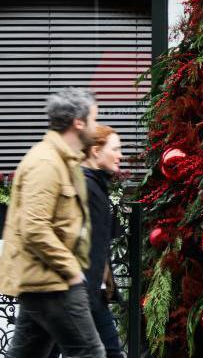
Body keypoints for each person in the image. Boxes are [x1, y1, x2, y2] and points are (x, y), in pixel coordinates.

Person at [0, 88, 105, 358]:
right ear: (78, 122)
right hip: (53, 281)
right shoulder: (45, 163)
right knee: (89, 353)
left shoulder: (63, 161)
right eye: (94, 119)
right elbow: (34, 227)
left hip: (45, 280)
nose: (97, 126)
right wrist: (70, 270)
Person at [81, 124, 126, 358]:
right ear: (96, 150)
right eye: (115, 149)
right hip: (80, 294)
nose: (120, 155)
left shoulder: (96, 184)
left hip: (91, 292)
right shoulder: (85, 186)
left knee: (111, 351)